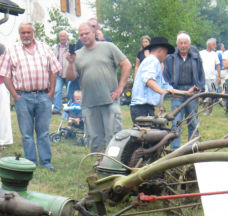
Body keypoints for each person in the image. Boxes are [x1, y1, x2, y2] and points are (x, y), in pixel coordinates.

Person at [0, 23, 59, 170]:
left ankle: (46, 162)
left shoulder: (45, 47)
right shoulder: (12, 50)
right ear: (19, 34)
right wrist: (15, 95)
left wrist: (51, 92)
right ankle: (31, 162)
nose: (26, 35)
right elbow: (4, 74)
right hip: (23, 97)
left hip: (44, 95)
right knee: (26, 134)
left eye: (28, 32)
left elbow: (54, 70)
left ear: (33, 33)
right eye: (23, 33)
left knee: (43, 132)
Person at [64, 22, 131, 153]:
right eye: (81, 34)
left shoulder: (108, 47)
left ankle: (115, 165)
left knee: (114, 137)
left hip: (109, 100)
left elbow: (126, 64)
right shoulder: (77, 55)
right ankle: (100, 165)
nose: (84, 36)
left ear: (94, 33)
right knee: (95, 139)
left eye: (87, 33)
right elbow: (70, 77)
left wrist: (120, 88)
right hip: (89, 103)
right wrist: (71, 63)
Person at [163, 32, 203, 148]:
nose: (183, 45)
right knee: (176, 122)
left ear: (189, 44)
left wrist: (199, 88)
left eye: (185, 43)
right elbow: (166, 76)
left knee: (193, 121)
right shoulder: (171, 57)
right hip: (177, 93)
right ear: (177, 45)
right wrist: (170, 89)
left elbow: (201, 74)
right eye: (181, 43)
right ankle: (174, 151)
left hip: (192, 92)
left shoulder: (195, 57)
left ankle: (193, 148)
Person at [130, 36, 177, 123]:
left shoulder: (154, 63)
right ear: (160, 50)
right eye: (166, 53)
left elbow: (165, 86)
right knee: (146, 134)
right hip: (142, 107)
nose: (166, 56)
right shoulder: (152, 60)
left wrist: (187, 93)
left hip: (145, 107)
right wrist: (162, 92)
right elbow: (149, 80)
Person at [199, 37, 220, 114]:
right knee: (205, 94)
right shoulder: (201, 53)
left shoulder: (215, 54)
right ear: (209, 44)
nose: (215, 46)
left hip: (213, 78)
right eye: (214, 44)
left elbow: (218, 65)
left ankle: (210, 111)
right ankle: (204, 110)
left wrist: (219, 76)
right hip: (204, 78)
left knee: (213, 95)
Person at [52, 30, 69, 114]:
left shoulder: (71, 47)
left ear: (67, 37)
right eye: (61, 36)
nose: (62, 37)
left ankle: (71, 108)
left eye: (64, 36)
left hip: (68, 73)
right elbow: (52, 60)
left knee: (70, 92)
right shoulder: (56, 48)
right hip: (59, 74)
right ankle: (57, 109)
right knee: (57, 90)